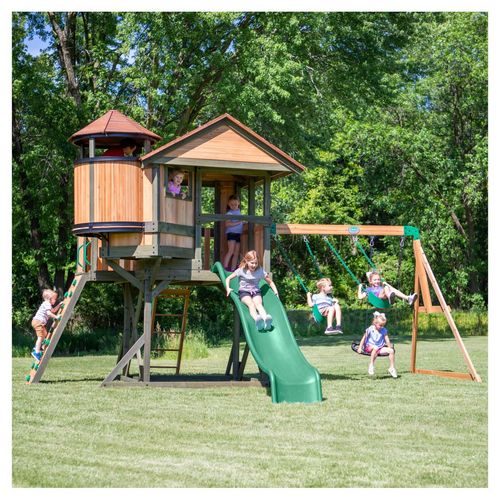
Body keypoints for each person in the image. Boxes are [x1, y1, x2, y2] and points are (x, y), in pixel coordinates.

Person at [225, 250, 279, 331]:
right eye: (252, 263)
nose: (254, 265)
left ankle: (266, 320)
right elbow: (228, 278)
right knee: (251, 304)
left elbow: (270, 282)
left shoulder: (260, 271)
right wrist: (228, 288)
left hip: (256, 292)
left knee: (259, 304)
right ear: (246, 261)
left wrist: (275, 291)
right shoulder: (241, 270)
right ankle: (257, 319)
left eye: (256, 263)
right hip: (244, 292)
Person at [358, 311, 397, 378]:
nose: (382, 327)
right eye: (380, 325)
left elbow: (387, 340)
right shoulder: (370, 329)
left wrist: (389, 347)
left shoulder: (383, 330)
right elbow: (364, 338)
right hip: (369, 347)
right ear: (375, 323)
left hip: (379, 347)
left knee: (391, 351)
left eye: (383, 325)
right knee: (375, 347)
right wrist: (360, 347)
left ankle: (392, 368)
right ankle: (371, 365)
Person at [31, 289, 59, 362]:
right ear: (50, 299)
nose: (55, 300)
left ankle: (37, 347)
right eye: (54, 299)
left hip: (38, 322)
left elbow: (53, 311)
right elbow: (49, 313)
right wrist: (56, 317)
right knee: (40, 337)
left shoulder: (47, 304)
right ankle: (36, 352)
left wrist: (59, 305)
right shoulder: (47, 304)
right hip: (38, 322)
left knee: (44, 333)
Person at [222, 194, 246, 271]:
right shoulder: (229, 213)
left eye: (235, 204)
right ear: (228, 204)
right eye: (232, 204)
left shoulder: (239, 213)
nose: (234, 206)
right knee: (231, 251)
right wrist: (239, 222)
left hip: (238, 234)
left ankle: (233, 269)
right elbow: (227, 224)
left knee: (236, 253)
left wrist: (243, 222)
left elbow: (241, 222)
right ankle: (225, 267)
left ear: (239, 203)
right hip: (231, 234)